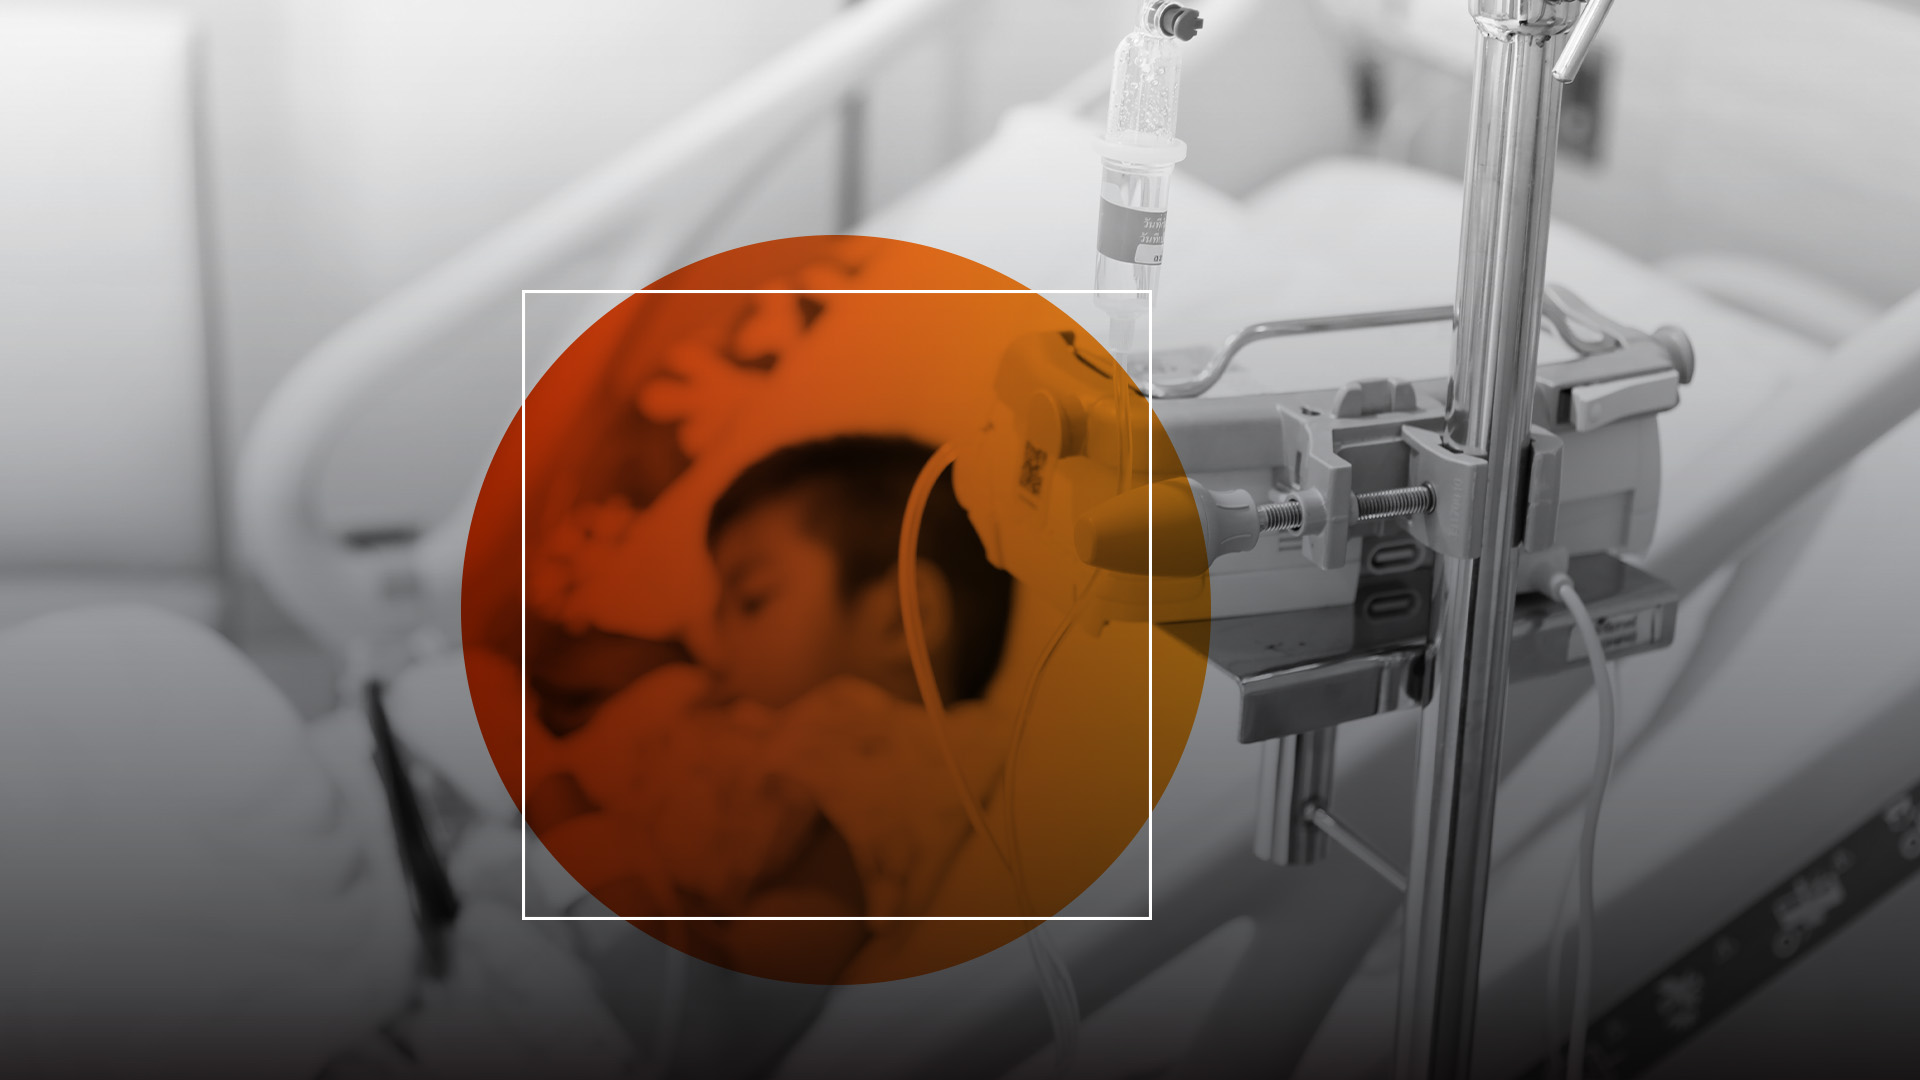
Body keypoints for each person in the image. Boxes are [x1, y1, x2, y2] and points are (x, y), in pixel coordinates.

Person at [529, 434, 1014, 983]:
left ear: (901, 619)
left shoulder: (879, 762)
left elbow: (718, 1013)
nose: (714, 634)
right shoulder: (745, 727)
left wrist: (548, 794)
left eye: (752, 599)